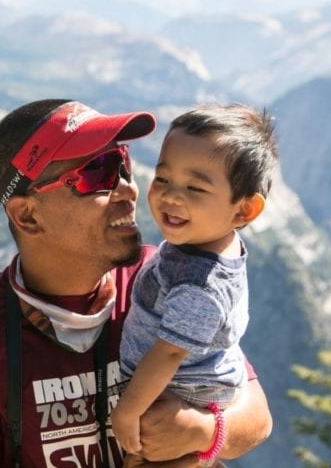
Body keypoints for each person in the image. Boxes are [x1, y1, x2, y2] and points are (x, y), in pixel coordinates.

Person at [0, 99, 273, 468]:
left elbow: (257, 417)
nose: (128, 189)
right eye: (97, 173)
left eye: (123, 164)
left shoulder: (164, 277)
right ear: (27, 215)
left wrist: (206, 431)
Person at [110, 104, 278, 468]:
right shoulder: (207, 244)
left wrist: (128, 411)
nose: (171, 197)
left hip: (182, 392)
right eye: (163, 179)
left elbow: (169, 353)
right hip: (191, 387)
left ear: (244, 211)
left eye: (195, 188)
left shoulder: (199, 283)